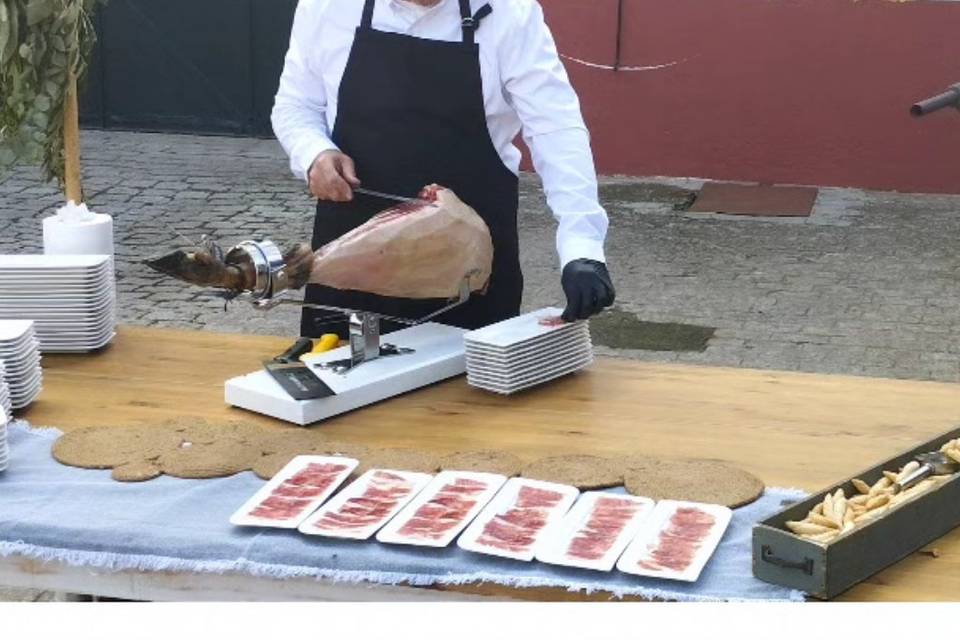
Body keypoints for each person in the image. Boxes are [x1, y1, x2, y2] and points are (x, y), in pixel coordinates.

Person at [272, 0, 615, 338]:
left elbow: (555, 127)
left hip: (468, 276)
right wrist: (315, 152)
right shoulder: (327, 6)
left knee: (465, 392)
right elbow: (295, 104)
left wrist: (581, 244)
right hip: (351, 266)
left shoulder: (510, 12)